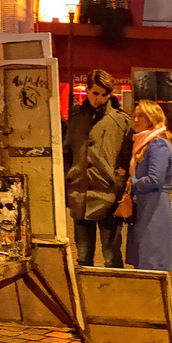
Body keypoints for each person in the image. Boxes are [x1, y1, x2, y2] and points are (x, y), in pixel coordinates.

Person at [64, 69, 131, 268]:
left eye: (104, 95)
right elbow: (67, 151)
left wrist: (118, 182)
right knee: (84, 256)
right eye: (95, 93)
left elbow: (127, 158)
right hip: (80, 193)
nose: (99, 99)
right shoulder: (76, 119)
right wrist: (68, 177)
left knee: (112, 256)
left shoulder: (121, 121)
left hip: (108, 194)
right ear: (87, 90)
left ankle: (114, 295)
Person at [124, 102, 172, 272]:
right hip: (147, 206)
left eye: (141, 116)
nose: (136, 120)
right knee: (145, 259)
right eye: (135, 115)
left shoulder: (157, 144)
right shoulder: (146, 142)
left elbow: (155, 179)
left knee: (153, 259)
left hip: (155, 208)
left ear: (152, 118)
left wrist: (133, 183)